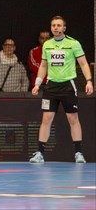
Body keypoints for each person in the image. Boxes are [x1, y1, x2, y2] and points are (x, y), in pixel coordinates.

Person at [30, 16, 93, 164]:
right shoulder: (47, 45)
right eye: (53, 25)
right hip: (51, 86)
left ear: (64, 28)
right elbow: (44, 66)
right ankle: (40, 154)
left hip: (68, 86)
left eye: (59, 25)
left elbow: (83, 64)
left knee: (73, 119)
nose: (56, 28)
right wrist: (38, 83)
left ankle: (78, 153)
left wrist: (89, 81)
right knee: (46, 119)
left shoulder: (73, 43)